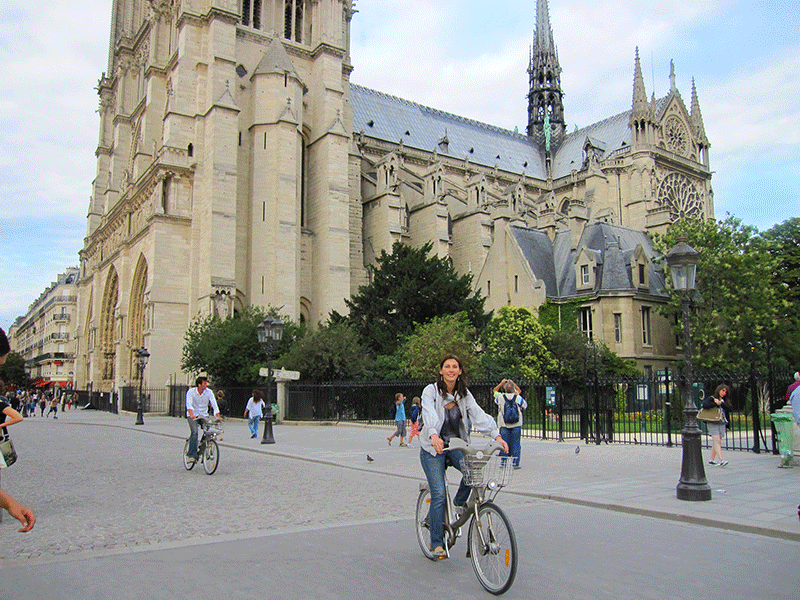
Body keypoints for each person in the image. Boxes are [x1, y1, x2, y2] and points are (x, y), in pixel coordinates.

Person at [419, 354, 508, 559]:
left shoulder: (463, 395)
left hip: (456, 446)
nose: (451, 370)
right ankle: (436, 542)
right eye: (447, 366)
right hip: (433, 449)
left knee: (473, 472)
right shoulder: (431, 391)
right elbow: (429, 414)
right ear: (441, 371)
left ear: (460, 372)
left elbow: (478, 414)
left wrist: (497, 436)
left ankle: (459, 505)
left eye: (455, 367)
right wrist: (433, 434)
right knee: (439, 493)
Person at [185, 376, 222, 462]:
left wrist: (217, 415)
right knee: (194, 432)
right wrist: (191, 414)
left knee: (208, 430)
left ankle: (202, 445)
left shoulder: (209, 392)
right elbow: (189, 404)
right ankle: (192, 455)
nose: (206, 385)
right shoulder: (191, 392)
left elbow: (214, 403)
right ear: (199, 385)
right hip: (193, 415)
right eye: (204, 383)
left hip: (203, 415)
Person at [493, 378, 528, 469]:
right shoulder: (518, 398)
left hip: (504, 424)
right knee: (516, 443)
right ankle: (515, 463)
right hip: (516, 424)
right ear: (513, 389)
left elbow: (496, 401)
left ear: (505, 389)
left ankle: (503, 462)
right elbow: (525, 405)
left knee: (504, 443)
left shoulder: (500, 398)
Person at [703, 384, 731, 467]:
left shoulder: (725, 400)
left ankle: (711, 459)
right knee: (717, 440)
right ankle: (722, 460)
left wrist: (721, 403)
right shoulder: (712, 398)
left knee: (717, 442)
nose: (724, 393)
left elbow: (729, 409)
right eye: (723, 390)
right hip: (713, 422)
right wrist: (715, 403)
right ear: (718, 390)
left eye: (726, 391)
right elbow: (705, 405)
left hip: (721, 423)